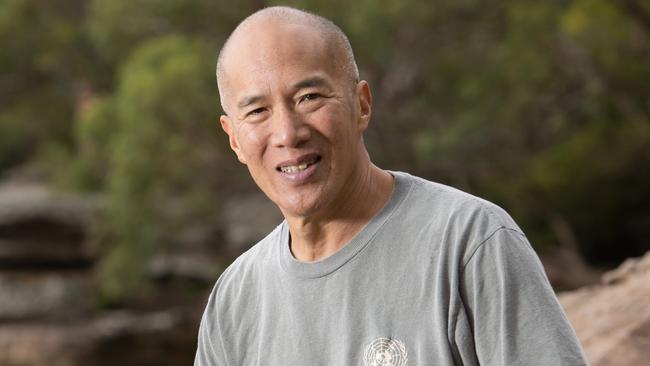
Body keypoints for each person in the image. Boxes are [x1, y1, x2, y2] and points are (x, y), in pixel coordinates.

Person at [195, 6, 589, 366]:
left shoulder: (469, 242)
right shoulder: (234, 301)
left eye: (309, 97)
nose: (287, 133)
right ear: (234, 139)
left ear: (361, 105)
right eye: (257, 111)